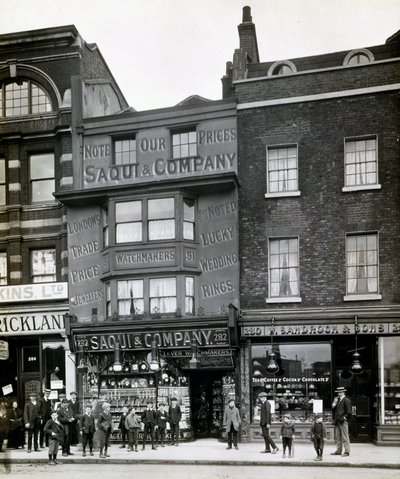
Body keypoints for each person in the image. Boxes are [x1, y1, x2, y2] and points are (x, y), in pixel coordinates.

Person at [331, 386, 352, 457]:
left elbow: (349, 412)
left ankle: (347, 451)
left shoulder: (346, 400)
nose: (338, 394)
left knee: (345, 437)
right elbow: (334, 410)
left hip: (343, 421)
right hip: (337, 421)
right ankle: (338, 450)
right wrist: (334, 403)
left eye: (340, 392)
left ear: (343, 392)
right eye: (338, 393)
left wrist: (344, 418)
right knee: (338, 437)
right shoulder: (338, 400)